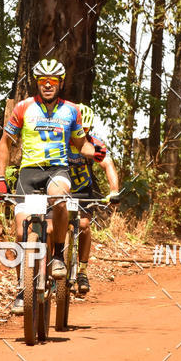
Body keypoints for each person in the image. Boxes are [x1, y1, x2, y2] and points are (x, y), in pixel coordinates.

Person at [0, 58, 94, 314]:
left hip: (57, 170)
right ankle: (21, 288)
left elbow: (82, 145)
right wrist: (0, 178)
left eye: (52, 81)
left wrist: (102, 156)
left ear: (60, 83)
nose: (47, 85)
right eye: (42, 81)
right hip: (29, 172)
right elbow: (5, 142)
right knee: (20, 233)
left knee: (59, 197)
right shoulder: (24, 108)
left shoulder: (71, 110)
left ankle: (58, 256)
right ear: (37, 83)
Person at [67, 103, 121, 295]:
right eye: (78, 128)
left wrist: (114, 191)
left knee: (83, 225)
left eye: (85, 129)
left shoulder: (94, 143)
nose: (81, 132)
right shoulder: (59, 140)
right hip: (59, 190)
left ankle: (82, 270)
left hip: (83, 190)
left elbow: (107, 164)